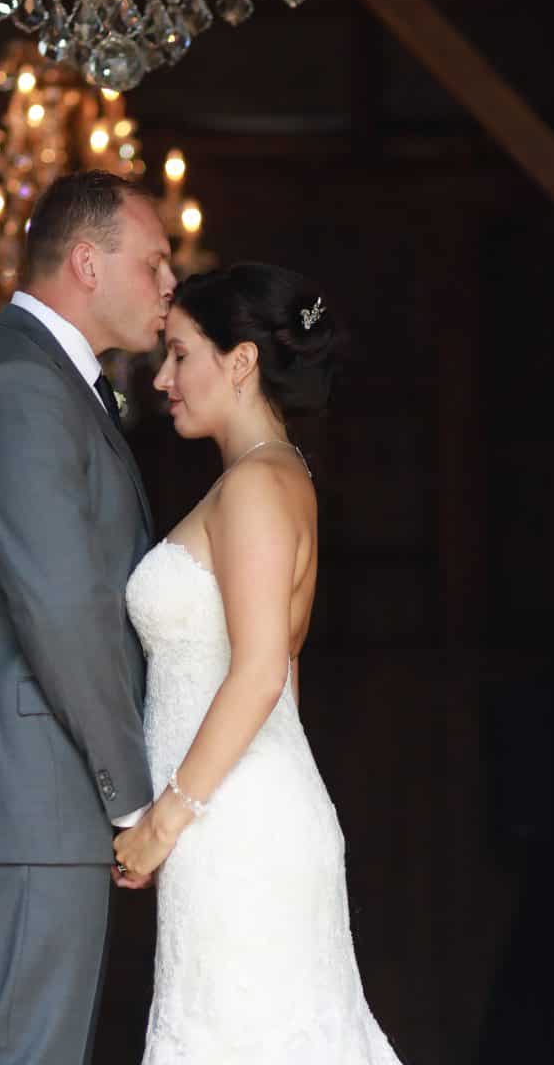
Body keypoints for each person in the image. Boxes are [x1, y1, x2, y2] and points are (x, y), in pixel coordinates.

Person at [0, 169, 176, 1065]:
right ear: (87, 263)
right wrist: (131, 796)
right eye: (155, 262)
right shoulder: (19, 384)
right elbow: (59, 607)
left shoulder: (45, 378)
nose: (171, 284)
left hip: (35, 792)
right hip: (28, 789)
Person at [115, 262, 406, 1064]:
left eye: (179, 354)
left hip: (227, 819)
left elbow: (260, 673)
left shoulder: (255, 488)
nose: (163, 378)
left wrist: (163, 823)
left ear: (239, 361)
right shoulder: (268, 480)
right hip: (235, 812)